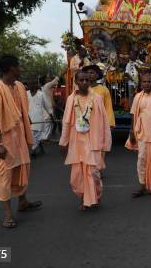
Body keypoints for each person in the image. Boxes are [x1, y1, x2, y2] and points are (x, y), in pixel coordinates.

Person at [0, 55, 42, 228]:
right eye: (18, 66)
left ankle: (23, 202)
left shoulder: (18, 86)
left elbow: (22, 110)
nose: (20, 69)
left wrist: (27, 124)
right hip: (5, 139)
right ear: (11, 68)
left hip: (20, 136)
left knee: (22, 168)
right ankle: (8, 215)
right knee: (5, 175)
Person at [59, 71, 111, 210]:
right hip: (77, 141)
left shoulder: (97, 98)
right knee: (77, 176)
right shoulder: (71, 99)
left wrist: (106, 143)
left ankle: (95, 197)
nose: (84, 83)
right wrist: (63, 142)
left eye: (87, 80)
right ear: (76, 82)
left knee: (93, 173)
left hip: (93, 141)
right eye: (81, 80)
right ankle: (83, 198)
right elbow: (66, 121)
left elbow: (104, 121)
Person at [127, 73, 151, 197]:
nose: (147, 84)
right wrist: (132, 131)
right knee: (141, 160)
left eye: (149, 82)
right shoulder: (138, 97)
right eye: (144, 82)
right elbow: (133, 114)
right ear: (141, 83)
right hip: (142, 133)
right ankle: (142, 185)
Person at [84, 64, 115, 130]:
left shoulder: (104, 90)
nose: (89, 75)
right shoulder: (82, 89)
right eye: (87, 73)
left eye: (91, 73)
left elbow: (108, 108)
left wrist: (110, 123)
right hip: (85, 123)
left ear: (97, 75)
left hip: (99, 122)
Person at [27, 79, 52, 157]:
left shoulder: (41, 94)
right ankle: (37, 150)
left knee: (36, 136)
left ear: (37, 84)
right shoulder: (25, 94)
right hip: (28, 119)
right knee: (31, 137)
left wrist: (52, 116)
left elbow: (47, 106)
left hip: (38, 120)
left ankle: (31, 152)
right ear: (28, 85)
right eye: (30, 84)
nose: (32, 85)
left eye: (34, 83)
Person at [41, 74, 60, 141]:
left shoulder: (46, 87)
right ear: (45, 80)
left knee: (51, 123)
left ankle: (45, 138)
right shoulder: (47, 85)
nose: (49, 79)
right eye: (47, 78)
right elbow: (56, 79)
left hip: (49, 107)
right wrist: (62, 73)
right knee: (49, 123)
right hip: (48, 108)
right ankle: (44, 139)